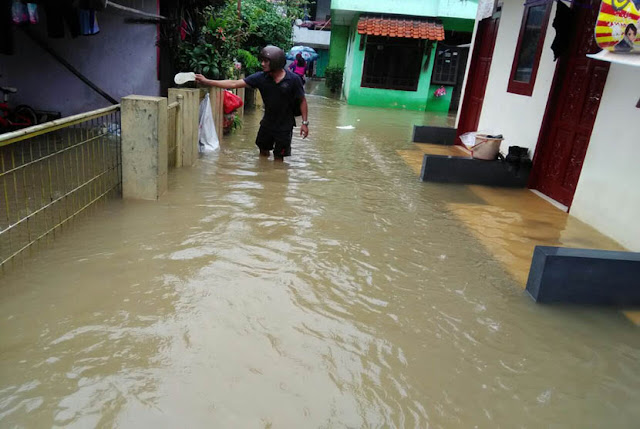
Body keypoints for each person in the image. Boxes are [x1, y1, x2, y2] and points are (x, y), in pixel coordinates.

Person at [195, 45, 309, 161]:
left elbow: (302, 101)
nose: (262, 64)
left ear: (275, 62)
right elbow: (234, 83)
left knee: (279, 158)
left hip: (285, 126)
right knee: (263, 152)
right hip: (267, 123)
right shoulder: (261, 78)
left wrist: (304, 123)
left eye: (266, 61)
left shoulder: (294, 80)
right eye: (262, 61)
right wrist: (207, 81)